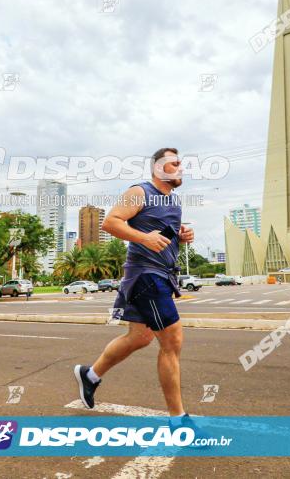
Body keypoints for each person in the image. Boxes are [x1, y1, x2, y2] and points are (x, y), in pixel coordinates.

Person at [73, 147, 201, 431]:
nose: (180, 168)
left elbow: (165, 235)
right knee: (172, 340)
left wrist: (184, 235)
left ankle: (90, 376)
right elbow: (111, 222)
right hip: (146, 275)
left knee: (140, 337)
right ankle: (178, 420)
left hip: (161, 276)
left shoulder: (175, 202)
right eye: (174, 163)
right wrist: (144, 238)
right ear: (157, 168)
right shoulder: (139, 191)